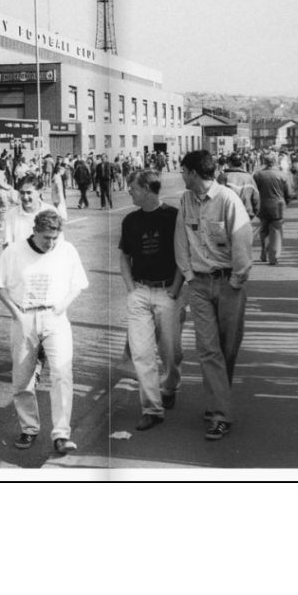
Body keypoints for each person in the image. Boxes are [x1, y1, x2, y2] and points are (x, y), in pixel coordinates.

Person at [0, 209, 89, 456]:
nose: (51, 243)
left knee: (62, 374)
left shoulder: (66, 250)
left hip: (55, 317)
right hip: (25, 317)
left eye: (55, 238)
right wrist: (15, 312)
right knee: (22, 377)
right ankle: (29, 427)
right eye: (46, 238)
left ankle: (61, 434)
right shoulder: (14, 251)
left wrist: (62, 306)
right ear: (34, 231)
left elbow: (78, 284)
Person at [174, 149, 254, 441]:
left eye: (183, 171)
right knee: (208, 349)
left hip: (228, 283)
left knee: (227, 348)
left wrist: (236, 279)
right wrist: (189, 274)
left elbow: (243, 240)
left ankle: (219, 399)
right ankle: (220, 413)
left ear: (194, 173)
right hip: (199, 284)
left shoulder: (228, 200)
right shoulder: (186, 200)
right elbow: (181, 239)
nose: (181, 175)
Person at [119, 168, 184, 431]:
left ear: (147, 189)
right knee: (142, 353)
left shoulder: (174, 217)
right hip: (140, 292)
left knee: (171, 351)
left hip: (168, 292)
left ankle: (170, 386)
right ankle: (152, 409)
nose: (129, 191)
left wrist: (176, 289)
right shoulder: (130, 220)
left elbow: (184, 257)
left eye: (133, 187)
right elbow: (124, 256)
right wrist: (131, 289)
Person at [252, 152, 292, 265]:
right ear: (275, 161)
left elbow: (254, 192)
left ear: (264, 162)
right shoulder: (283, 175)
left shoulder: (257, 175)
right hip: (278, 206)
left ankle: (264, 253)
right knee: (276, 231)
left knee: (264, 230)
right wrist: (286, 202)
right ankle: (273, 256)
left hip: (263, 205)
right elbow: (289, 193)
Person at [3, 174, 53, 248]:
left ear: (39, 191)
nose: (25, 197)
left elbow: (58, 243)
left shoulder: (51, 212)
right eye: (22, 193)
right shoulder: (12, 214)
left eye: (29, 193)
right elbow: (7, 244)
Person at [220, 152, 260, 218]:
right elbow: (256, 198)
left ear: (229, 163)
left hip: (229, 214)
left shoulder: (223, 177)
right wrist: (255, 212)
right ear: (241, 163)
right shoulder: (249, 178)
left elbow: (216, 198)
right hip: (247, 213)